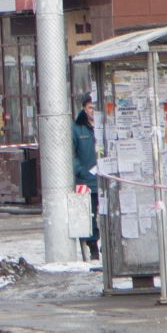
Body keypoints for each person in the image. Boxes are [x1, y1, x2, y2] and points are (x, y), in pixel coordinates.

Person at [73, 102, 100, 261]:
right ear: (84, 108)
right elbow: (71, 152)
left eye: (95, 107)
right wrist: (80, 170)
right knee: (89, 216)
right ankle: (93, 247)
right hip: (86, 181)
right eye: (90, 107)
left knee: (109, 214)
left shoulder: (104, 125)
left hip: (106, 179)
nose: (93, 111)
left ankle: (110, 246)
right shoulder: (77, 128)